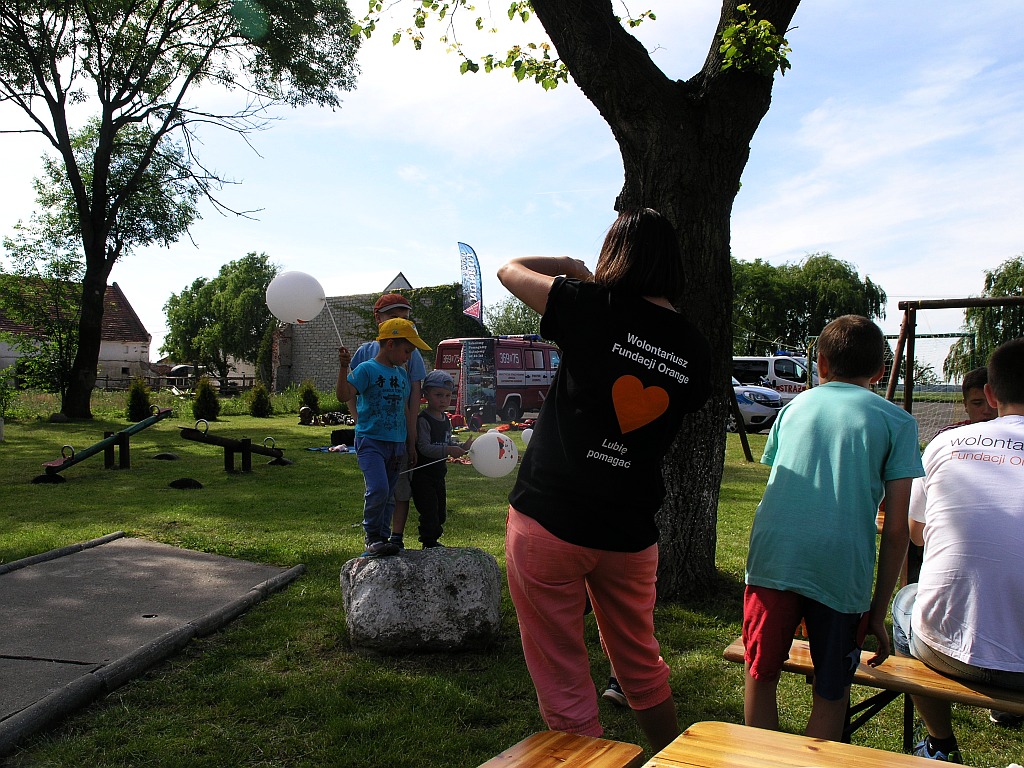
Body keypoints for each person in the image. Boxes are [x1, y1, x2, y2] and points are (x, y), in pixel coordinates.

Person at [497, 208, 712, 752]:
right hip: (629, 530)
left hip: (550, 517)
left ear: (616, 253)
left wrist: (570, 266)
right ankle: (670, 762)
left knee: (561, 671)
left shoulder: (589, 304)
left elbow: (508, 269)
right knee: (641, 662)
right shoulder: (693, 346)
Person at [743, 315, 925, 742]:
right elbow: (897, 530)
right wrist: (877, 613)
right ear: (879, 371)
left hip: (772, 560)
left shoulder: (792, 409)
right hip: (842, 571)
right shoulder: (897, 421)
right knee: (831, 692)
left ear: (821, 364)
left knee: (760, 675)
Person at [892, 338, 1024, 761]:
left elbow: (915, 535)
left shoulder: (945, 444)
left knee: (906, 600)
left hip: (946, 651)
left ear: (991, 394)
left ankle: (941, 743)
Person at [336, 318, 431, 557]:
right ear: (390, 344)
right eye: (407, 351)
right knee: (378, 488)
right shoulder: (367, 369)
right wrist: (343, 368)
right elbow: (343, 395)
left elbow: (404, 409)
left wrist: (411, 443)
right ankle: (371, 536)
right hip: (371, 441)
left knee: (389, 494)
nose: (408, 357)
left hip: (397, 444)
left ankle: (383, 538)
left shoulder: (401, 374)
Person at [410, 369, 473, 548]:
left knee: (440, 513)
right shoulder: (423, 420)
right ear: (426, 395)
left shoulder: (446, 419)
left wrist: (461, 446)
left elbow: (447, 441)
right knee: (429, 510)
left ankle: (434, 540)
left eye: (447, 395)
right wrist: (449, 450)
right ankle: (429, 542)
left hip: (439, 474)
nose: (444, 400)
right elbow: (424, 447)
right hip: (423, 475)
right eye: (438, 395)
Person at [934, 366, 996, 435]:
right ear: (966, 405)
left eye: (994, 403)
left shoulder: (1007, 433)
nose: (986, 410)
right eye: (977, 403)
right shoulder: (947, 435)